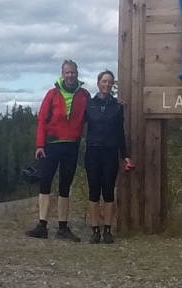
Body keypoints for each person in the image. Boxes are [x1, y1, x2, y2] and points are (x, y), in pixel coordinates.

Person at [25, 60, 90, 241]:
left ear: (77, 73)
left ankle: (62, 227)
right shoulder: (52, 94)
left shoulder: (84, 95)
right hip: (51, 145)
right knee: (45, 182)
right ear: (62, 74)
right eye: (67, 72)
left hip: (71, 145)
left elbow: (94, 115)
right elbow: (41, 120)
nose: (70, 75)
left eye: (73, 72)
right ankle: (42, 225)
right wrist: (39, 145)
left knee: (65, 186)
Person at [83, 69, 133, 244]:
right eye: (104, 81)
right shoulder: (89, 104)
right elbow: (79, 126)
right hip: (93, 151)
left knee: (109, 192)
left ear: (112, 85)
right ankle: (95, 230)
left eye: (110, 82)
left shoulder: (117, 106)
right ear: (98, 83)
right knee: (94, 192)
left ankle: (107, 230)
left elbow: (120, 133)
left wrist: (125, 155)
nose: (107, 85)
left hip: (111, 152)